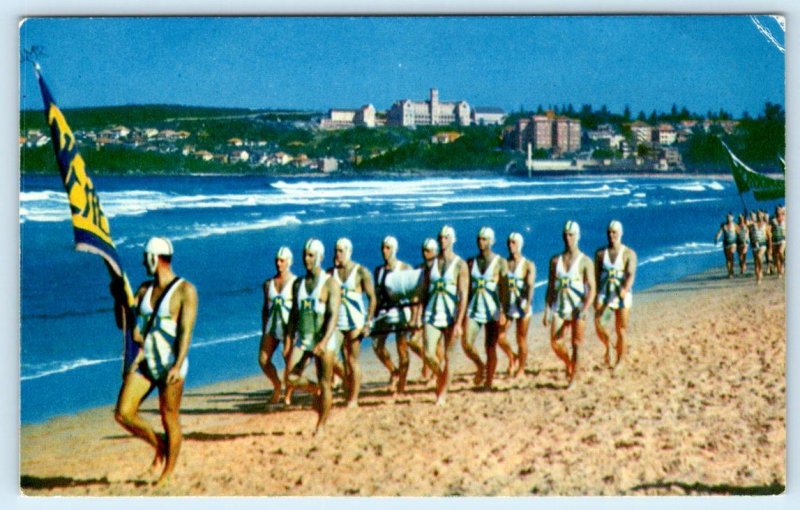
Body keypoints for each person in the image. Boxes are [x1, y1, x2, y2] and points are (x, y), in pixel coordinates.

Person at [113, 236, 198, 486]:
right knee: (123, 413)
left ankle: (167, 474)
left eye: (145, 258)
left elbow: (185, 332)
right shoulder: (143, 289)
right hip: (147, 363)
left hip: (171, 365)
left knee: (169, 417)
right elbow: (124, 324)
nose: (143, 263)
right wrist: (117, 299)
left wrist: (177, 364)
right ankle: (160, 446)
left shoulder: (185, 290)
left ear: (154, 258)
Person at [285, 239, 341, 435]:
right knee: (291, 378)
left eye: (310, 255)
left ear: (319, 257)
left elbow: (333, 315)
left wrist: (324, 341)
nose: (306, 259)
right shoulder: (298, 283)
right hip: (304, 340)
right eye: (304, 254)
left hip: (324, 340)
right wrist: (289, 339)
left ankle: (321, 426)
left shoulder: (330, 284)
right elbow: (293, 314)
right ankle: (314, 390)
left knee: (326, 381)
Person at [543, 221, 595, 386]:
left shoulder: (585, 261)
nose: (568, 238)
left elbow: (592, 288)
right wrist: (547, 310)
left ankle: (573, 380)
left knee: (576, 344)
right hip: (560, 307)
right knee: (556, 342)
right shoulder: (555, 261)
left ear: (578, 236)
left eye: (571, 235)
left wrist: (586, 308)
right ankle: (569, 364)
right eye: (565, 235)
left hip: (578, 308)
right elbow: (551, 287)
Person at [422, 226, 469, 405]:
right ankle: (442, 376)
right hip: (432, 314)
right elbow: (425, 290)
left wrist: (459, 322)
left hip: (451, 316)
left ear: (453, 240)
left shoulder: (460, 265)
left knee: (450, 356)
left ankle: (442, 394)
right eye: (440, 237)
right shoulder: (431, 264)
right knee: (428, 353)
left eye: (446, 237)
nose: (443, 241)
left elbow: (463, 295)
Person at [462, 227, 510, 389]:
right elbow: (467, 289)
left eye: (484, 239)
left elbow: (505, 288)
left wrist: (504, 311)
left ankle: (488, 381)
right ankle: (480, 366)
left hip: (492, 311)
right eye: (479, 239)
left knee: (490, 347)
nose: (481, 242)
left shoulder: (500, 262)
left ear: (491, 241)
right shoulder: (471, 262)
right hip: (474, 309)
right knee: (466, 343)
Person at [330, 238, 376, 408]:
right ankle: (347, 381)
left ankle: (353, 399)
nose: (337, 254)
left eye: (341, 251)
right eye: (336, 250)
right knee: (331, 356)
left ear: (349, 251)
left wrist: (368, 322)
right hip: (337, 322)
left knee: (351, 359)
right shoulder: (331, 273)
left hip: (355, 321)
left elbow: (372, 299)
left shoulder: (361, 272)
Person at [372, 236, 418, 394]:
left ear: (395, 249)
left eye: (388, 248)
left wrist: (414, 318)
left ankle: (402, 384)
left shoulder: (405, 268)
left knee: (402, 349)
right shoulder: (378, 270)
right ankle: (394, 371)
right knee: (377, 345)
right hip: (384, 313)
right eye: (383, 248)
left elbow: (414, 295)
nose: (384, 251)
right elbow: (377, 295)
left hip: (401, 312)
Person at [594, 220, 637, 369]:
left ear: (620, 233)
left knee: (621, 329)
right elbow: (596, 276)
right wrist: (594, 295)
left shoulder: (628, 253)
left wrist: (625, 289)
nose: (611, 235)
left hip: (621, 297)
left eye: (614, 232)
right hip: (605, 296)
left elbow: (630, 274)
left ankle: (620, 361)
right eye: (609, 232)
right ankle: (609, 346)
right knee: (600, 323)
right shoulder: (600, 254)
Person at [258, 247, 296, 405]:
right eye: (277, 260)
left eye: (282, 261)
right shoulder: (268, 284)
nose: (278, 264)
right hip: (272, 327)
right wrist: (264, 328)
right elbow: (265, 308)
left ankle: (288, 394)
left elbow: (297, 310)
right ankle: (277, 385)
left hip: (289, 327)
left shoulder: (295, 283)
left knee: (289, 361)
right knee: (263, 359)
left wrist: (292, 334)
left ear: (288, 262)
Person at [501, 232, 536, 378]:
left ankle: (521, 369)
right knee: (499, 336)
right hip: (508, 306)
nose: (510, 245)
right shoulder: (504, 263)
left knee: (521, 339)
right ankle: (512, 356)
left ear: (519, 245)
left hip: (522, 306)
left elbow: (530, 285)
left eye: (513, 242)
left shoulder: (528, 264)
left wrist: (528, 302)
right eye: (509, 242)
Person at [714, 213, 738, 278]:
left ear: (732, 218)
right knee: (727, 259)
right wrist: (716, 238)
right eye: (727, 217)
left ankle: (731, 270)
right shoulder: (724, 226)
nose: (728, 218)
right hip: (726, 244)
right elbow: (720, 232)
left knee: (732, 257)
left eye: (730, 217)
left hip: (733, 243)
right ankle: (729, 272)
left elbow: (738, 233)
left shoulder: (735, 225)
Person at [750, 211, 770, 284]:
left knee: (759, 256)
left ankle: (761, 270)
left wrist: (770, 247)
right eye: (757, 215)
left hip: (762, 244)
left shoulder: (765, 225)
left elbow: (769, 236)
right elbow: (750, 234)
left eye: (760, 215)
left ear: (762, 216)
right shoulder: (752, 225)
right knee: (756, 262)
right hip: (755, 245)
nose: (759, 216)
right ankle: (758, 278)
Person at [770, 205, 786, 277]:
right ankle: (779, 272)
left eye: (779, 209)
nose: (777, 211)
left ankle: (783, 263)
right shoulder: (773, 220)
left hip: (782, 239)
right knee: (776, 257)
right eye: (776, 210)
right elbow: (770, 229)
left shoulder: (785, 218)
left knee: (780, 252)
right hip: (775, 239)